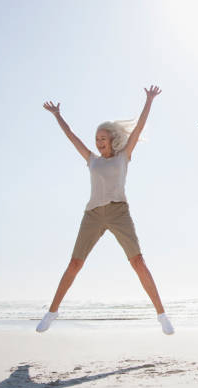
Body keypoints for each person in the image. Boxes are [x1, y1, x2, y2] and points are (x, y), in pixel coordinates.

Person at [36, 86, 174, 335]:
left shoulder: (123, 157)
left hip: (119, 213)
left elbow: (139, 128)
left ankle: (161, 314)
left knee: (138, 262)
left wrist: (149, 100)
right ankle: (52, 312)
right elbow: (72, 137)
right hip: (92, 214)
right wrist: (58, 115)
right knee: (75, 263)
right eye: (97, 139)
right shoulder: (92, 160)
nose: (98, 143)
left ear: (112, 139)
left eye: (103, 138)